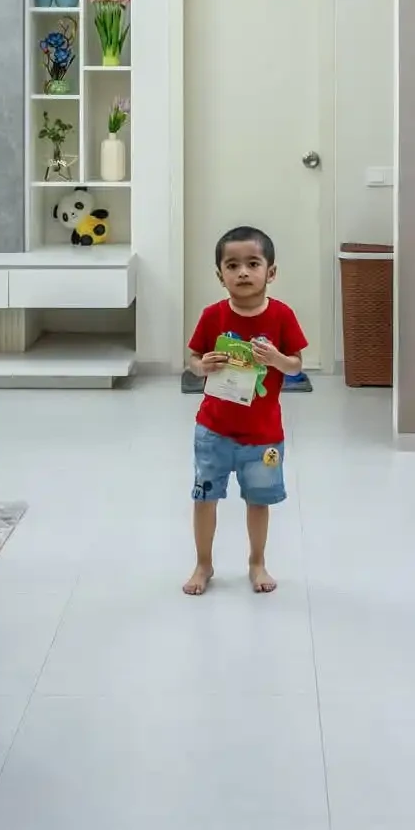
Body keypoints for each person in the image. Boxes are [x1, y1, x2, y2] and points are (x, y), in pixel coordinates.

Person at [183, 226, 308, 596]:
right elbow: (193, 358)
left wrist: (277, 359)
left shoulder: (282, 315)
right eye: (232, 265)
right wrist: (201, 366)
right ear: (219, 275)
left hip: (263, 435)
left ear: (271, 272)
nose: (242, 272)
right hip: (214, 431)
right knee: (205, 497)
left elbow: (296, 365)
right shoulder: (213, 315)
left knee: (258, 500)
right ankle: (203, 564)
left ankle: (257, 562)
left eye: (253, 264)